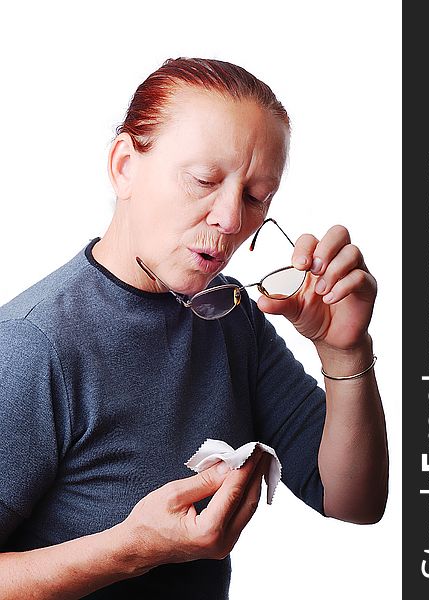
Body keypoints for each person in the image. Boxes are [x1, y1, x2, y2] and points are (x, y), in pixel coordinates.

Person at [0, 57, 388, 599]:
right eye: (203, 179)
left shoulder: (230, 315)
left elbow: (352, 502)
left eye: (257, 197)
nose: (231, 220)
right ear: (123, 166)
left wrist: (344, 353)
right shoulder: (32, 347)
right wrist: (129, 550)